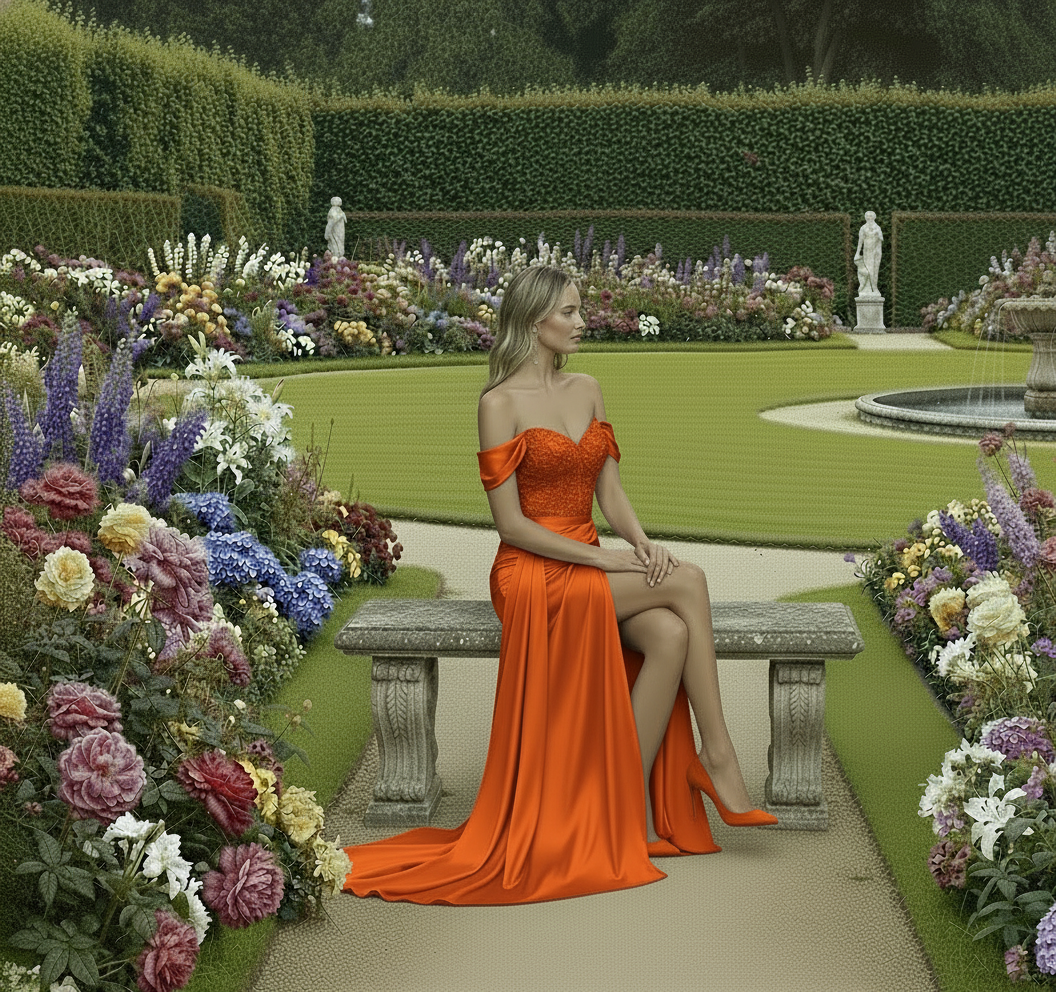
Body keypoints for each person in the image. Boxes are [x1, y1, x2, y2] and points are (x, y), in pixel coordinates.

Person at [343, 266, 775, 906]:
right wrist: (602, 563)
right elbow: (511, 526)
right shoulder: (499, 404)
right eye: (568, 313)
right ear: (533, 320)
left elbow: (610, 491)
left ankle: (620, 801)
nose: (581, 322)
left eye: (579, 311)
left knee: (670, 633)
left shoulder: (589, 387)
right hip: (531, 571)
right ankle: (717, 758)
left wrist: (640, 543)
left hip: (589, 553)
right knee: (691, 582)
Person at [854, 210, 882, 297]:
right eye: (868, 216)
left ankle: (875, 288)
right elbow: (860, 241)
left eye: (871, 216)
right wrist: (857, 253)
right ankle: (868, 289)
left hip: (876, 253)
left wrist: (876, 233)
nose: (869, 218)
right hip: (867, 252)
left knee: (875, 271)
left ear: (874, 217)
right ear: (866, 218)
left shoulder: (877, 228)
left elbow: (880, 239)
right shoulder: (863, 228)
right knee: (869, 271)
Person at [325, 196, 346, 260]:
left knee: (340, 242)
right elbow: (331, 222)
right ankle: (336, 255)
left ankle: (339, 255)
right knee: (335, 243)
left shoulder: (339, 210)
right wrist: (327, 232)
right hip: (335, 232)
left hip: (340, 232)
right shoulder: (333, 211)